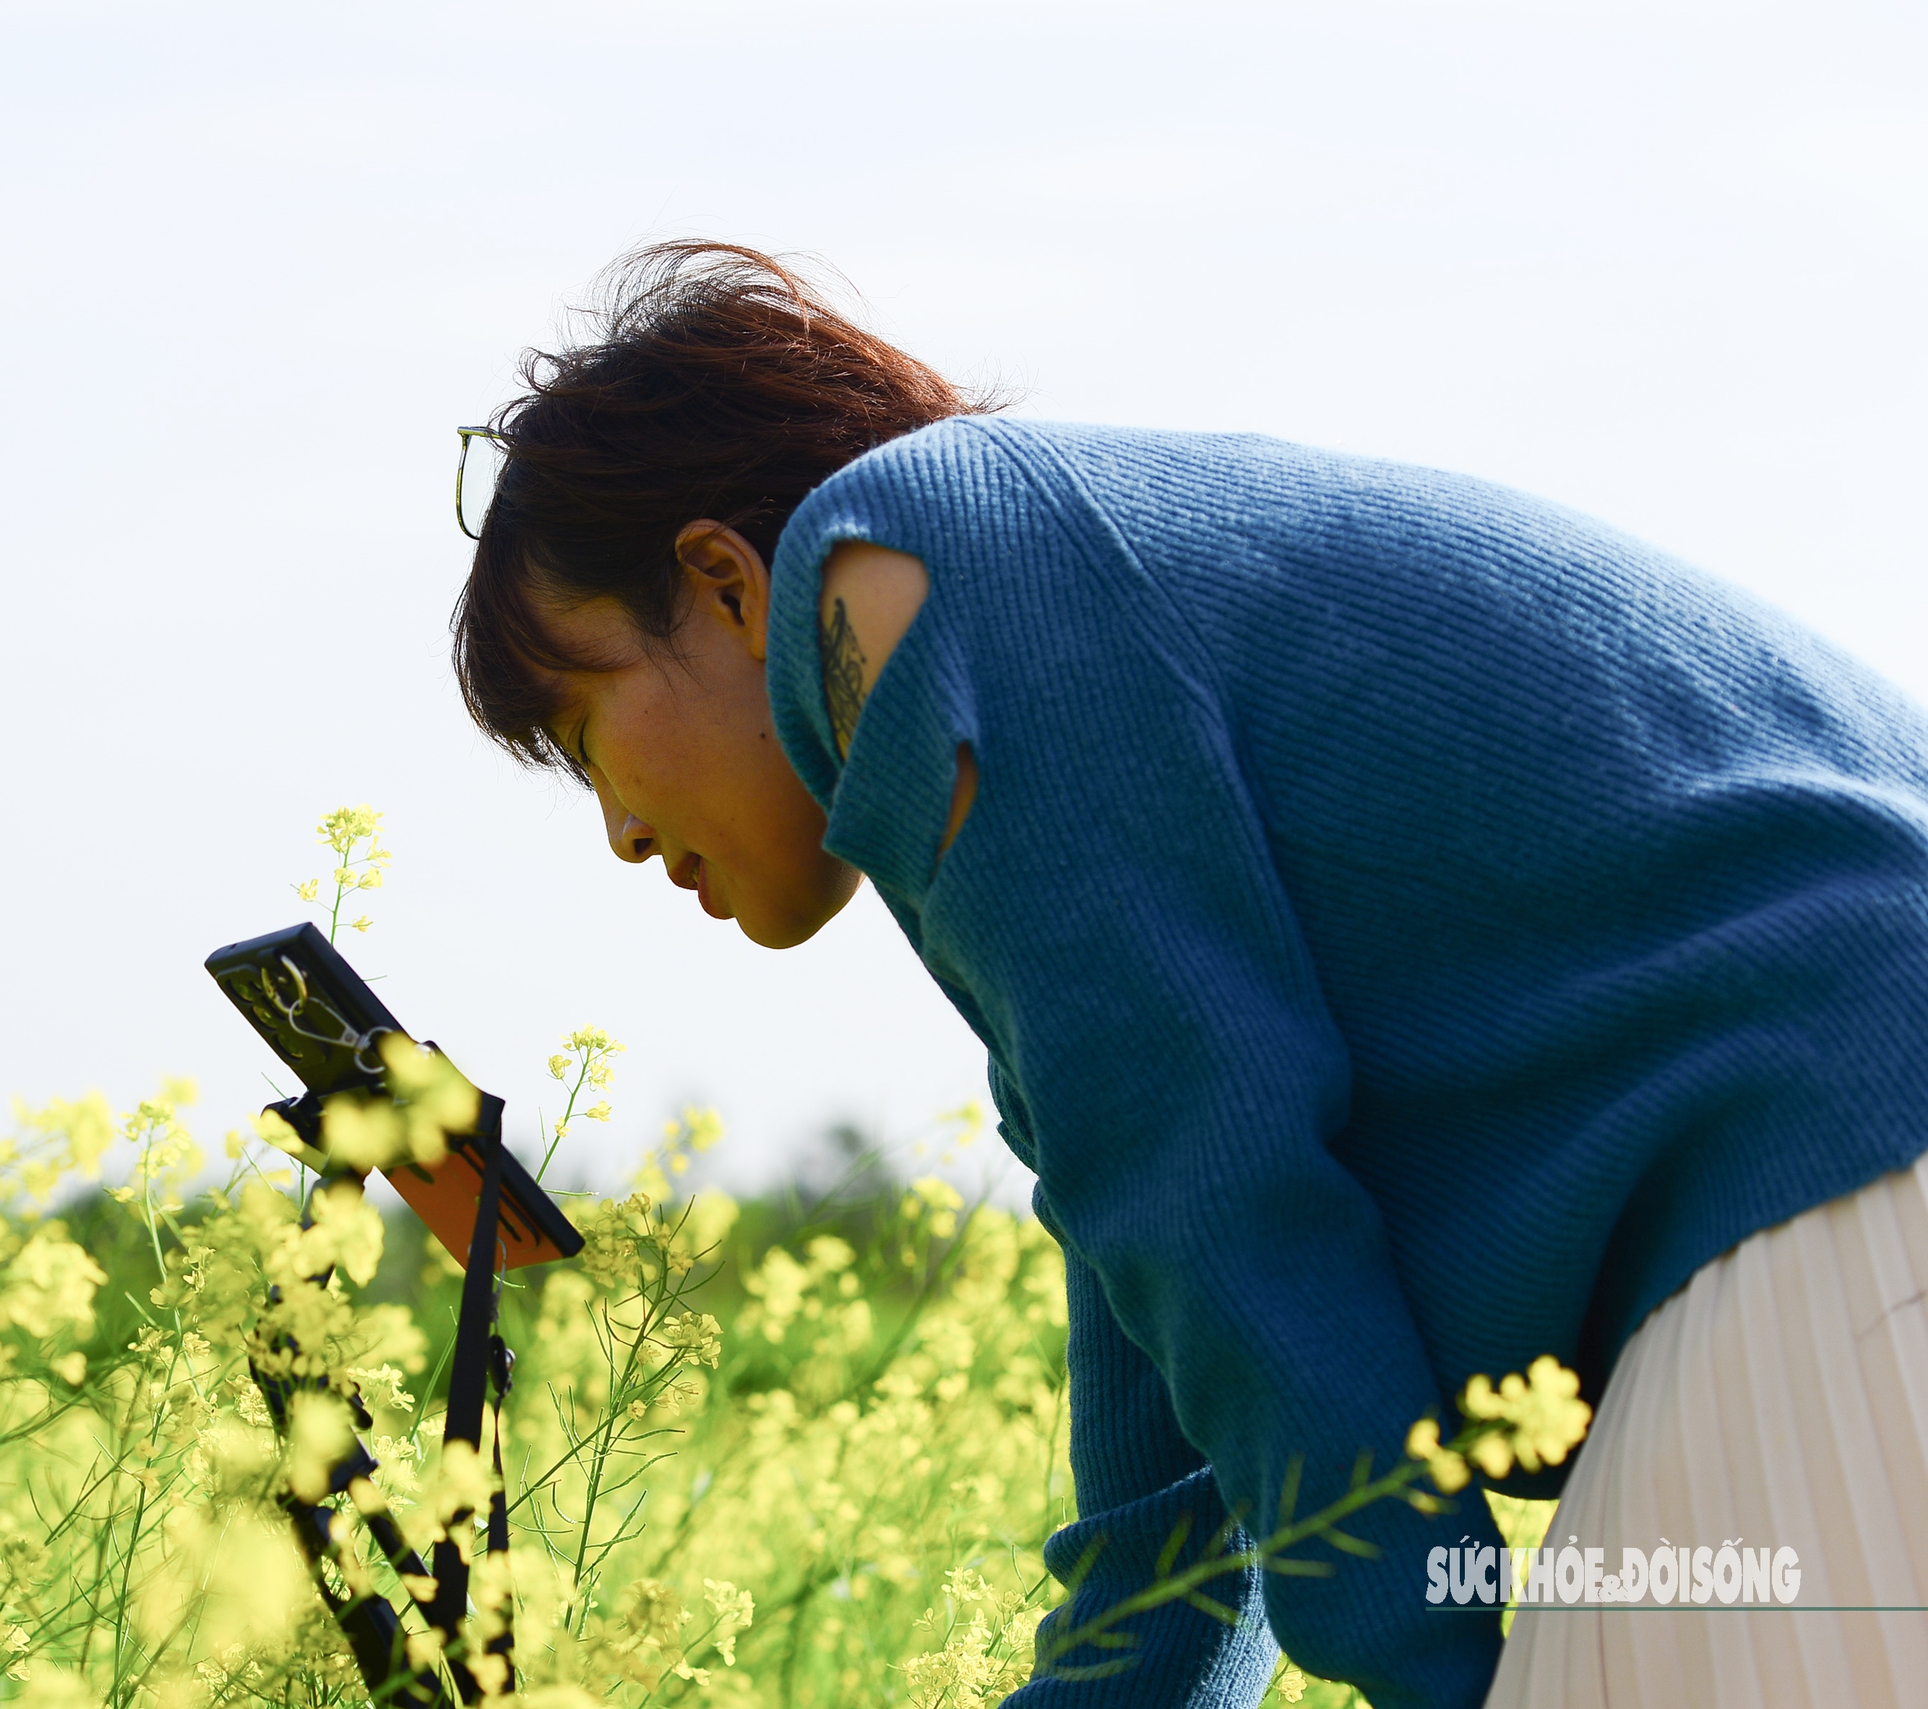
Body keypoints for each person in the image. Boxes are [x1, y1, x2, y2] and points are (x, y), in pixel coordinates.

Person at [447, 242, 1928, 1709]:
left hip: (1847, 1146)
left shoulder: (905, 562)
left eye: (586, 738)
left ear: (720, 583)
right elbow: (1172, 1527)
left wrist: (1441, 1670)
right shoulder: (1049, 776)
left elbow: (1222, 1215)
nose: (624, 833)